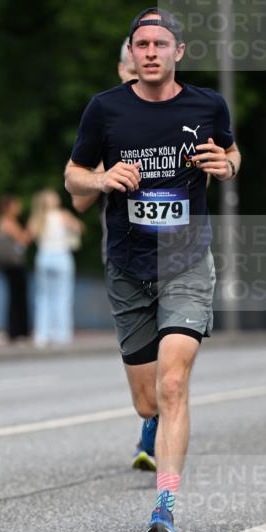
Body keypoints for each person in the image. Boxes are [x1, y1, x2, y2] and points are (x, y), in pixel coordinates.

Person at [65, 7, 241, 532]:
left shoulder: (207, 105)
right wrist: (102, 177)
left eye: (159, 44)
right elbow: (73, 183)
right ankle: (154, 431)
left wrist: (227, 164)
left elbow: (232, 152)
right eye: (141, 44)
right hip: (128, 266)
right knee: (148, 402)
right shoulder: (105, 109)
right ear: (131, 55)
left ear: (177, 52)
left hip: (187, 263)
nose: (149, 52)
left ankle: (163, 511)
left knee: (173, 385)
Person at [71, 40, 159, 472]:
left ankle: (157, 432)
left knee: (174, 352)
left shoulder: (175, 114)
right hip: (122, 251)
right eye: (129, 75)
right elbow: (78, 200)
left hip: (174, 251)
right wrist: (103, 177)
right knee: (145, 360)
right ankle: (153, 416)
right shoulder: (106, 116)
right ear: (123, 69)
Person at [28, 190, 83, 348]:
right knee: (62, 296)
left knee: (43, 297)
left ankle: (42, 335)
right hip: (61, 257)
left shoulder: (38, 217)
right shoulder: (62, 215)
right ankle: (62, 334)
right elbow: (79, 228)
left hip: (44, 257)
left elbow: (29, 235)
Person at [0, 194, 31, 343]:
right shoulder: (7, 223)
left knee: (15, 297)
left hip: (9, 265)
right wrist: (33, 226)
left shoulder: (2, 222)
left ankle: (15, 331)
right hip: (14, 265)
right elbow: (24, 238)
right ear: (8, 207)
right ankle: (18, 331)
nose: (18, 208)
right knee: (18, 298)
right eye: (15, 205)